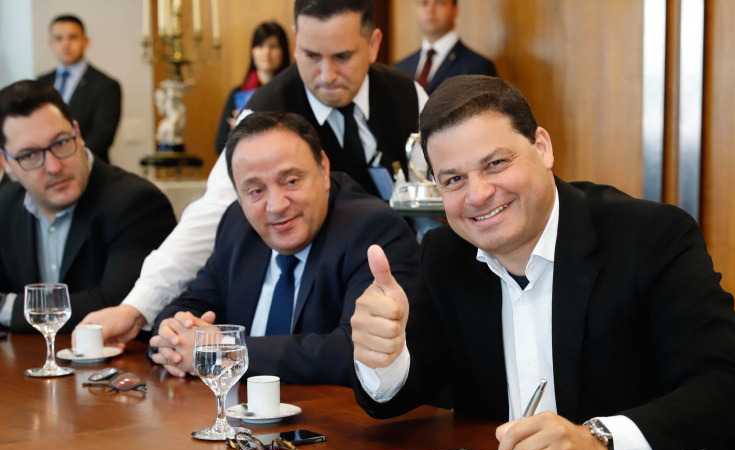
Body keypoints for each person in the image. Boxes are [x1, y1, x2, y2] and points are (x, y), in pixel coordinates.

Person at [350, 75, 735, 450]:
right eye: (454, 179)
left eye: (495, 164)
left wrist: (599, 445)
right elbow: (400, 394)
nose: (476, 195)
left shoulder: (649, 237)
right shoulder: (447, 254)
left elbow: (733, 396)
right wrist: (382, 357)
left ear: (542, 148)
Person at [79, 0, 427, 347]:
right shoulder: (264, 111)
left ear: (373, 44)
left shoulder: (408, 96)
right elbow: (210, 215)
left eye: (342, 57)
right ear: (294, 40)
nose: (326, 75)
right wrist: (137, 307)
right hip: (320, 297)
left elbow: (435, 198)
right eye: (310, 56)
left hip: (410, 281)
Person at [150, 112, 418, 383]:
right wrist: (173, 336)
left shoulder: (373, 230)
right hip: (232, 416)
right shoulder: (237, 225)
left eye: (291, 181)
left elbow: (358, 352)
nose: (277, 206)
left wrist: (225, 353)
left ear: (323, 170)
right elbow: (185, 307)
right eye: (255, 191)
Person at [0, 81, 175, 334]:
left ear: (78, 134)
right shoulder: (5, 206)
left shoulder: (137, 202)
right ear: (5, 161)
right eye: (30, 155)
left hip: (117, 369)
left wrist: (7, 307)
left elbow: (116, 305)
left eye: (60, 143)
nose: (53, 167)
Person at [36, 14, 121, 164]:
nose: (65, 44)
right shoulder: (41, 82)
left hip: (90, 167)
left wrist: (66, 159)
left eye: (73, 37)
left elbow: (102, 137)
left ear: (85, 41)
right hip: (47, 166)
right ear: (51, 43)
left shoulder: (106, 85)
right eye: (59, 38)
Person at [214, 22, 291, 154]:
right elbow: (219, 145)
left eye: (273, 46)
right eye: (260, 46)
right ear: (252, 51)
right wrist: (237, 133)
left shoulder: (293, 92)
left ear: (283, 51)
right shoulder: (238, 94)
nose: (267, 52)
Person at [394, 0, 496, 94]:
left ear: (455, 10)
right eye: (424, 3)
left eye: (439, 2)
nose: (430, 9)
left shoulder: (478, 67)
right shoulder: (400, 69)